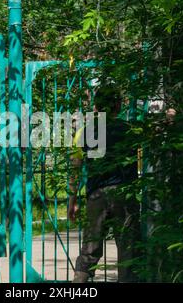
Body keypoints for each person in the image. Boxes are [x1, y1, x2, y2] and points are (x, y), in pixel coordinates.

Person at [68, 88, 141, 283]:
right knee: (129, 250)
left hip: (96, 196)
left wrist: (72, 200)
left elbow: (75, 169)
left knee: (90, 250)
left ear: (96, 107)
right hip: (124, 194)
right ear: (119, 105)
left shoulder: (84, 132)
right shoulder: (131, 130)